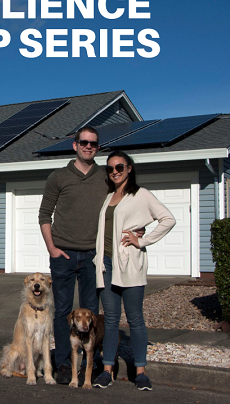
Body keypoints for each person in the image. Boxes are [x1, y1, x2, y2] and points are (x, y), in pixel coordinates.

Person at [92, 151, 176, 391]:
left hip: (129, 265)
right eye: (110, 168)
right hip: (107, 265)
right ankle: (107, 370)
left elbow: (168, 219)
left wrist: (142, 240)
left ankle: (140, 373)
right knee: (109, 320)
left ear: (129, 168)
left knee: (135, 319)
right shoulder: (109, 196)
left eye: (119, 167)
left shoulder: (141, 195)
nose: (115, 171)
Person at [38, 126, 108, 384]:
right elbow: (44, 214)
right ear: (74, 145)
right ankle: (65, 363)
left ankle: (92, 358)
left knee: (91, 311)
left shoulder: (105, 176)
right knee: (63, 311)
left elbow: (123, 200)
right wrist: (52, 248)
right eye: (84, 142)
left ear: (98, 147)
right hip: (63, 254)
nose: (89, 146)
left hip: (92, 255)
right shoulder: (58, 177)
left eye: (94, 143)